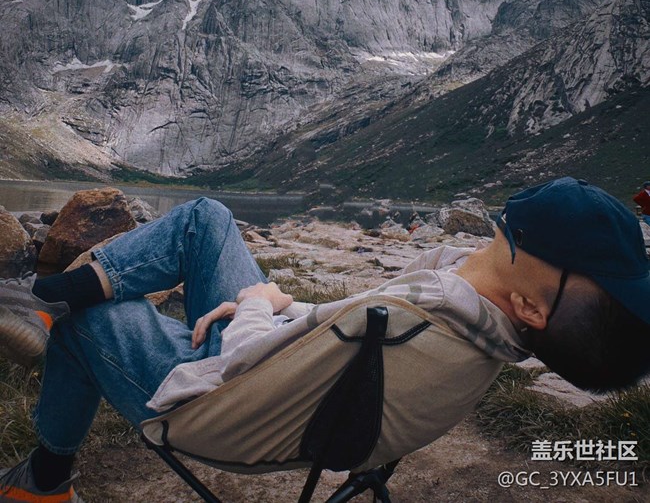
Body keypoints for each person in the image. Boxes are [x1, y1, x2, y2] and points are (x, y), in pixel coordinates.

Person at [0, 177, 649, 502]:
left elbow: (243, 364)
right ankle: (45, 299)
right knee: (206, 218)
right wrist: (286, 304)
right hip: (299, 386)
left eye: (523, 239)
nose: (511, 226)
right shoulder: (474, 321)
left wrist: (255, 308)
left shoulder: (420, 306)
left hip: (224, 399)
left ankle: (45, 476)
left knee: (90, 317)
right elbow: (340, 331)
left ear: (532, 304)